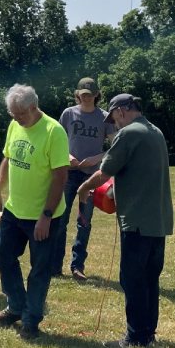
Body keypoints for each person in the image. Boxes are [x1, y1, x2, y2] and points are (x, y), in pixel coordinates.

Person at [77, 93, 173, 348]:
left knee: (132, 278)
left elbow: (105, 171)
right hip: (158, 220)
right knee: (150, 278)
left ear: (121, 111)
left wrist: (84, 188)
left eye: (113, 118)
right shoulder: (156, 132)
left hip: (137, 221)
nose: (114, 124)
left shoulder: (129, 133)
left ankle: (135, 337)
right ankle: (148, 333)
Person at [0, 84, 70, 341]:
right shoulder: (15, 125)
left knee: (39, 268)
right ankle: (15, 307)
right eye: (12, 115)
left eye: (20, 115)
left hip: (43, 215)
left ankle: (31, 319)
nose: (16, 119)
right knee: (3, 255)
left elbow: (60, 176)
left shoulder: (53, 131)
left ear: (33, 107)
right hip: (14, 210)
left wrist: (46, 215)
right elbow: (8, 158)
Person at [52, 77, 115, 281]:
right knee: (60, 220)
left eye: (90, 95)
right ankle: (55, 266)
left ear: (97, 95)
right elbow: (57, 140)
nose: (86, 98)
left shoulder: (105, 117)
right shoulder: (68, 114)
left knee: (84, 222)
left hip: (92, 177)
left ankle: (77, 266)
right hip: (68, 174)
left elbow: (115, 146)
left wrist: (96, 158)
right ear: (77, 94)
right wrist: (67, 156)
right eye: (83, 95)